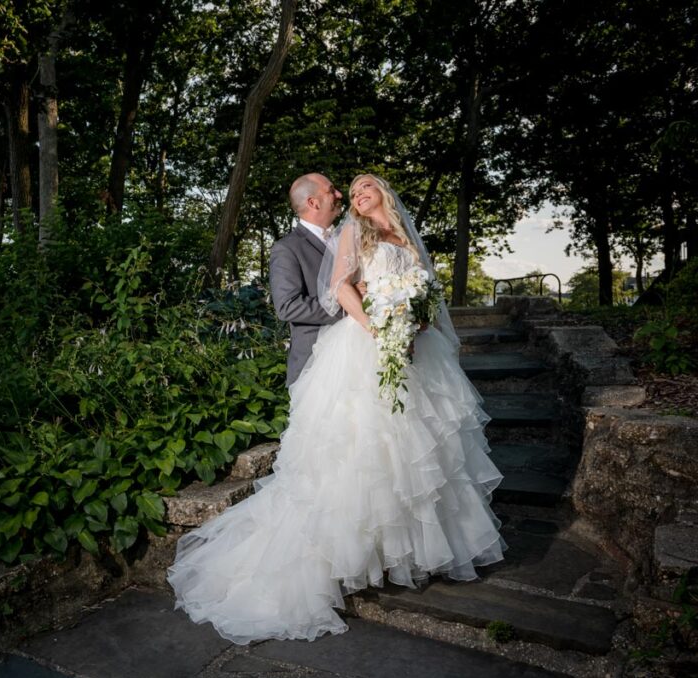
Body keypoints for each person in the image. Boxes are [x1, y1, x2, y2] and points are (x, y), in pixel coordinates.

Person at [167, 173, 506, 645]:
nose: (348, 195)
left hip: (411, 352)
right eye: (341, 190)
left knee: (411, 451)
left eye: (364, 187)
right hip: (353, 353)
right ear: (312, 202)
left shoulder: (394, 233)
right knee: (355, 455)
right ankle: (341, 561)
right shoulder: (323, 239)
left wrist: (412, 321)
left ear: (385, 194)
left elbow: (419, 292)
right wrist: (377, 325)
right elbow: (323, 294)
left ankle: (401, 554)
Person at [269, 173, 346, 386]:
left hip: (357, 357)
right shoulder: (287, 248)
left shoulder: (348, 239)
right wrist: (348, 306)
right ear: (313, 202)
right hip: (316, 366)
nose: (339, 194)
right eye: (331, 190)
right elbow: (287, 306)